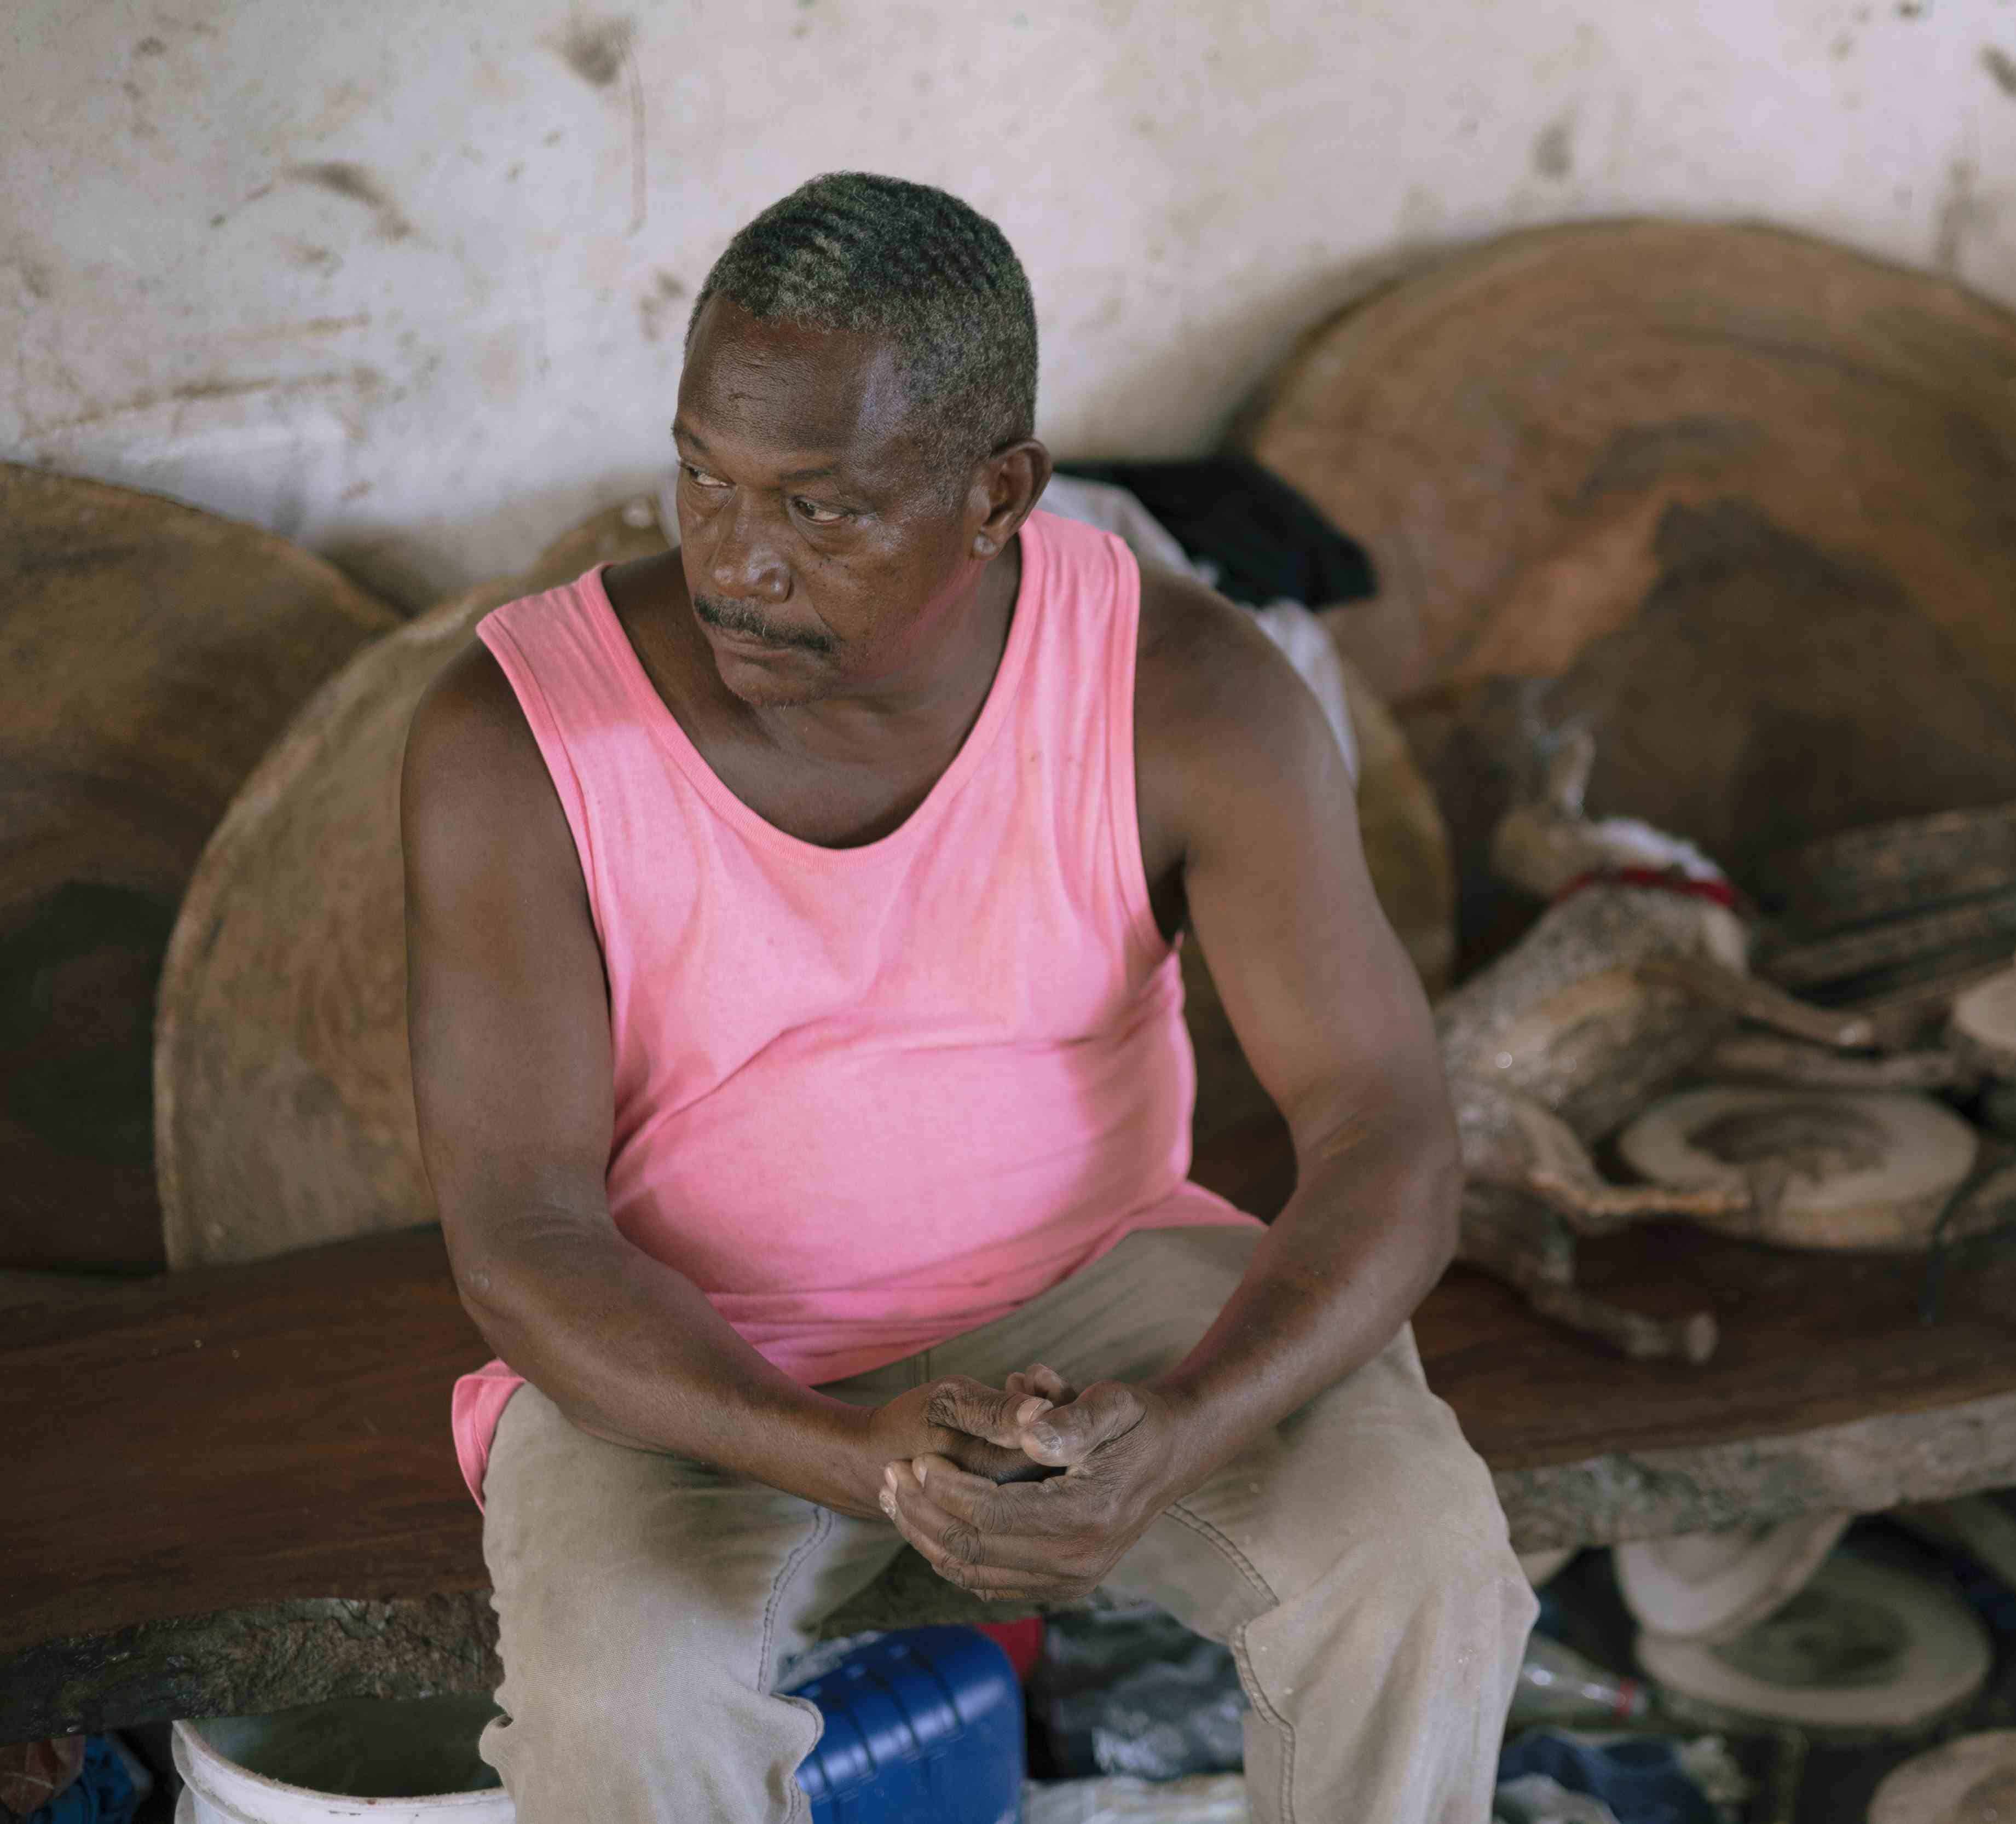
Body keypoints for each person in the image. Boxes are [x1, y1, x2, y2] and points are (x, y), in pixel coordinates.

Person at [400, 171, 1534, 1824]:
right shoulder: (514, 736)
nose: (743, 565)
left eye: (826, 510)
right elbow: (523, 1240)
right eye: (704, 483)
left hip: (1103, 1301)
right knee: (623, 1713)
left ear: (998, 493)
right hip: (690, 1352)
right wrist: (859, 1457)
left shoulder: (1189, 696)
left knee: (1422, 1571)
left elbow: (1388, 1124)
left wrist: (1184, 1422)